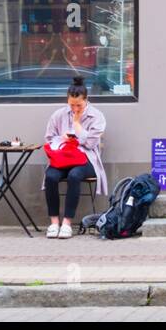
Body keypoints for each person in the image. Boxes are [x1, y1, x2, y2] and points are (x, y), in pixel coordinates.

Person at [42, 77, 107, 239]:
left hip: (86, 159)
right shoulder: (59, 115)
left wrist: (77, 127)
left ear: (86, 100)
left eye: (79, 105)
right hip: (63, 158)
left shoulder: (96, 116)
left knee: (74, 175)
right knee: (50, 176)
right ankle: (54, 222)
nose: (75, 109)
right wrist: (62, 138)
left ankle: (67, 223)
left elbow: (92, 144)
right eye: (72, 105)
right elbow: (49, 138)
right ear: (67, 100)